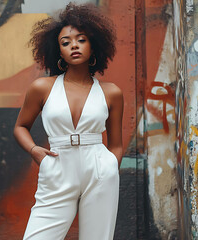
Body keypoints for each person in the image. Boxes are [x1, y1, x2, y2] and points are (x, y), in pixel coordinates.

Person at [14, 3, 123, 240]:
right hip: (57, 166)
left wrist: (109, 165)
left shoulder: (111, 92)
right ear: (58, 51)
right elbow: (20, 126)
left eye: (81, 40)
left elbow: (116, 144)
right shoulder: (42, 87)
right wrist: (36, 152)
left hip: (99, 169)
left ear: (93, 45)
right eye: (65, 42)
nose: (74, 45)